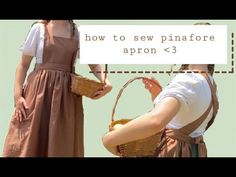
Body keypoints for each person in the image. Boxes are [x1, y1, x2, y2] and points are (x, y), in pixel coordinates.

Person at [3, 20, 112, 157]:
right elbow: (23, 65)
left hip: (66, 98)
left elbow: (94, 65)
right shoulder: (39, 29)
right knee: (30, 139)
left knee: (61, 142)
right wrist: (18, 97)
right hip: (38, 93)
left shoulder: (77, 33)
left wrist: (105, 80)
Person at [102, 64, 219, 157]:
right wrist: (159, 96)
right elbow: (185, 118)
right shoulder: (209, 82)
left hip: (172, 151)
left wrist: (109, 139)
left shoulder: (188, 80)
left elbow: (156, 121)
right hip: (193, 152)